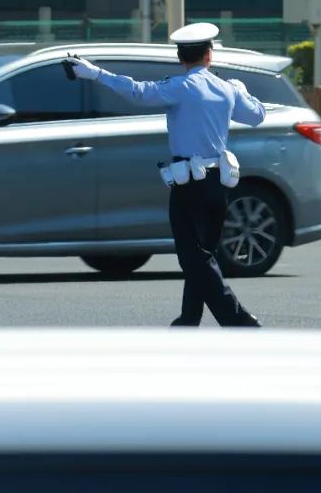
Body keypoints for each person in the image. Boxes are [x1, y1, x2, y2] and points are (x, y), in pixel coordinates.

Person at [65, 23, 264, 327]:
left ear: (181, 58)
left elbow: (137, 91)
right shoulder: (226, 89)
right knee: (203, 255)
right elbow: (257, 116)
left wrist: (95, 73)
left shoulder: (181, 87)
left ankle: (238, 320)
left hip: (190, 186)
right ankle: (189, 319)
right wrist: (242, 90)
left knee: (192, 257)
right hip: (218, 184)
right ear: (209, 55)